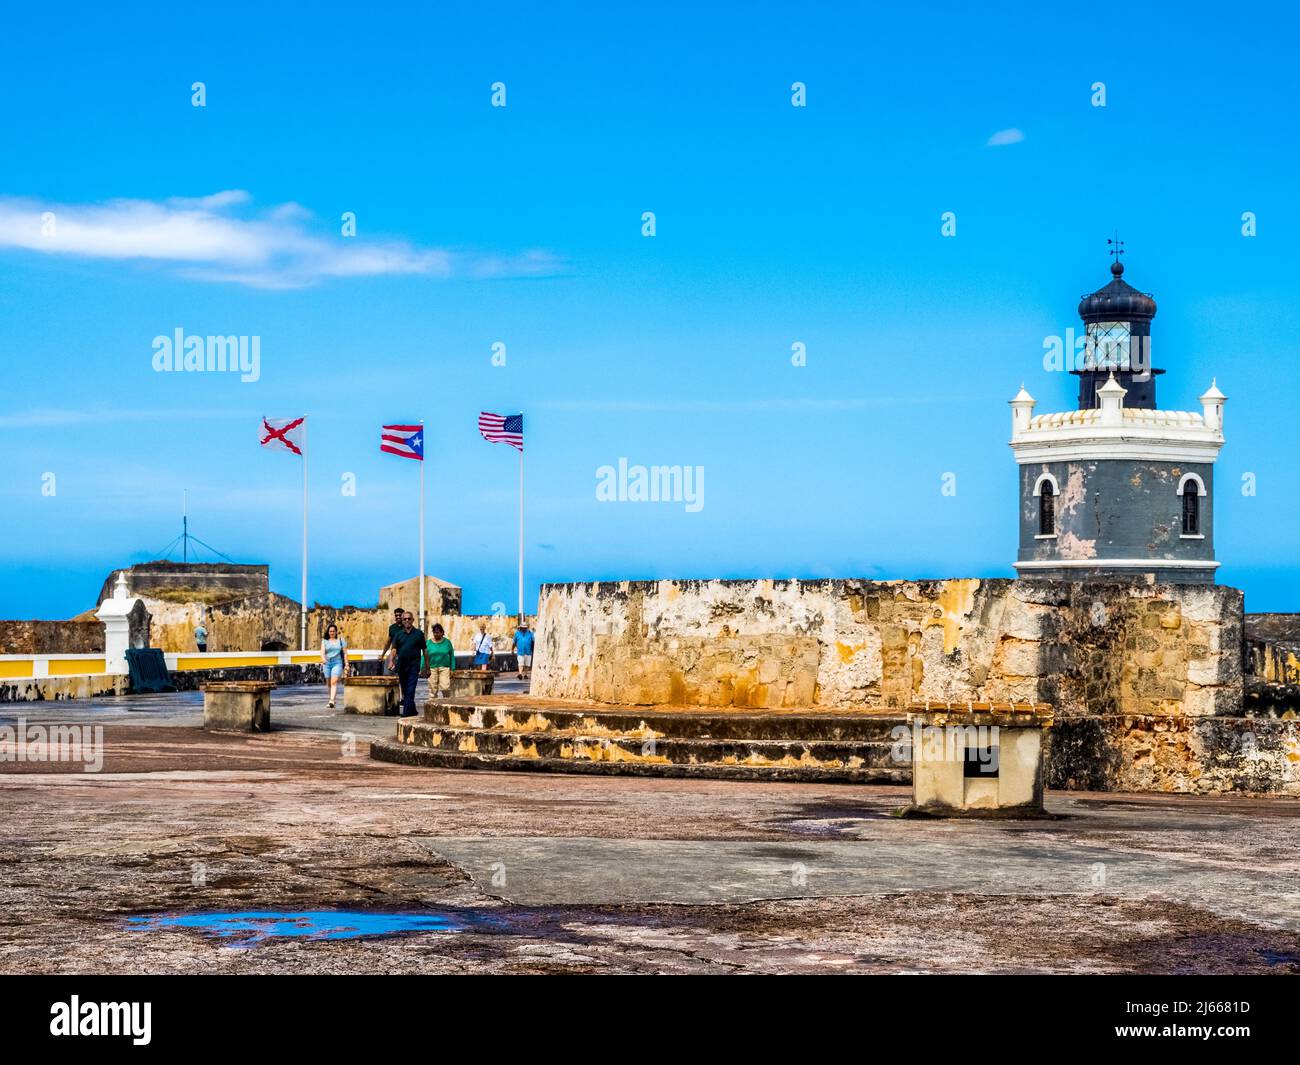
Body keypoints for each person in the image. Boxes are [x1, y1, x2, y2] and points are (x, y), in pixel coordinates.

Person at [387, 611, 427, 717]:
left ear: (413, 620)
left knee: (410, 689)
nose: (407, 621)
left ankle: (405, 714)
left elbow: (425, 651)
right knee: (405, 690)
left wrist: (426, 667)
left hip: (414, 666)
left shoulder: (419, 634)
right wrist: (391, 661)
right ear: (402, 621)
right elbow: (394, 650)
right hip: (401, 666)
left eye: (409, 619)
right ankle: (412, 710)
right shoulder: (398, 635)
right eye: (405, 619)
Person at [320, 623, 348, 709]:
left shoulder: (341, 640)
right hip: (327, 663)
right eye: (330, 631)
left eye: (333, 631)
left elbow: (345, 653)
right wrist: (323, 659)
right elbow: (322, 652)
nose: (332, 633)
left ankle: (331, 701)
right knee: (328, 683)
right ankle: (331, 699)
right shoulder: (324, 641)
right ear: (328, 632)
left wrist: (347, 664)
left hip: (337, 663)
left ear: (336, 632)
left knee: (334, 682)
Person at [424, 624, 455, 698]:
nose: (436, 634)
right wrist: (422, 667)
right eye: (434, 632)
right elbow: (424, 656)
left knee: (445, 688)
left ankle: (446, 703)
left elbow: (452, 656)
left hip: (444, 668)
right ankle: (433, 705)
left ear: (442, 633)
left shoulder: (447, 642)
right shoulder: (428, 643)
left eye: (437, 632)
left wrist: (452, 668)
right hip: (432, 668)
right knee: (433, 689)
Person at [380, 608, 405, 675]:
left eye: (400, 615)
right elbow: (388, 642)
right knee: (388, 674)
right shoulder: (392, 628)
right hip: (393, 655)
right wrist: (382, 655)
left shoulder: (407, 627)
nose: (398, 617)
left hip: (404, 656)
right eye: (396, 615)